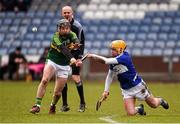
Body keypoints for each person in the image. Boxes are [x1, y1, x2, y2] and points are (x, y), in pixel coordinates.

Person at [87, 40, 169, 116]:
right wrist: (106, 91)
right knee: (130, 113)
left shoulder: (124, 57)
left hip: (137, 86)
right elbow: (110, 76)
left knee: (153, 104)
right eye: (111, 49)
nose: (112, 51)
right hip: (126, 90)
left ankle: (160, 101)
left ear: (120, 50)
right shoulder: (114, 61)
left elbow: (106, 61)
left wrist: (93, 56)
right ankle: (140, 109)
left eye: (114, 49)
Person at [30, 19, 82, 114]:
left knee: (58, 93)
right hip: (52, 61)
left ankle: (52, 105)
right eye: (63, 28)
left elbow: (77, 42)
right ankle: (37, 105)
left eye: (67, 28)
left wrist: (77, 51)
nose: (65, 30)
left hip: (64, 65)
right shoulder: (55, 37)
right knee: (45, 80)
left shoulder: (72, 34)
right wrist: (72, 59)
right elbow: (63, 49)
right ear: (58, 29)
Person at [60, 5, 86, 112]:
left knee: (75, 78)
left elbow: (81, 43)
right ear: (62, 14)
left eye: (68, 12)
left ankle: (82, 103)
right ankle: (65, 104)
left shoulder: (77, 26)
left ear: (72, 13)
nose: (66, 14)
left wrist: (79, 57)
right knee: (63, 79)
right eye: (64, 12)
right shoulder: (60, 25)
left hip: (75, 55)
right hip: (65, 55)